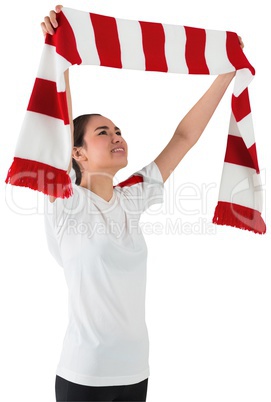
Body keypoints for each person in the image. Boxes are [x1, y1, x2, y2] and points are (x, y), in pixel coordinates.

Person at [41, 5, 244, 402]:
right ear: (77, 153)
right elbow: (59, 120)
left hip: (136, 373)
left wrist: (227, 71)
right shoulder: (65, 201)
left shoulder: (132, 198)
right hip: (84, 377)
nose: (117, 136)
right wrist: (59, 49)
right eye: (103, 132)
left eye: (118, 130)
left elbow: (184, 137)